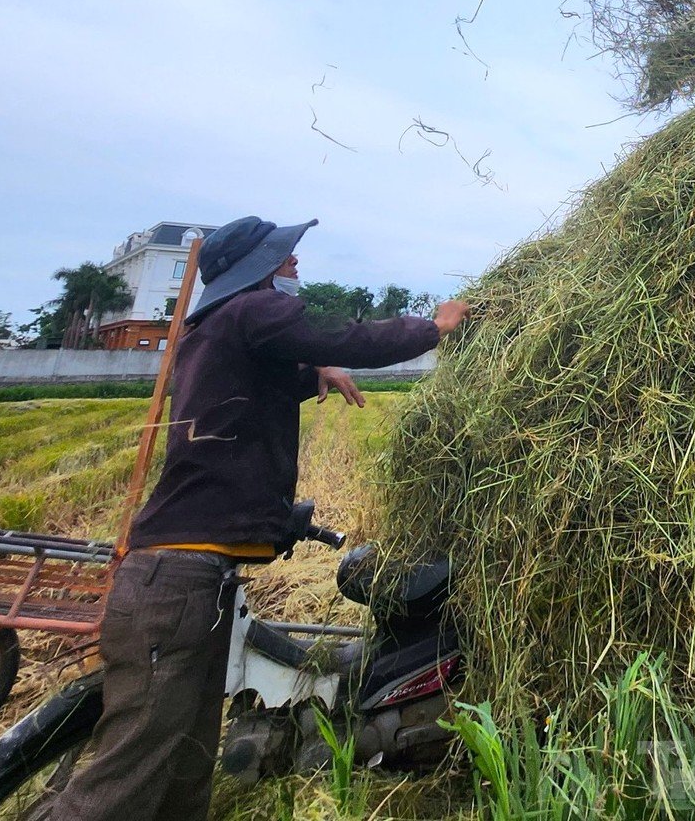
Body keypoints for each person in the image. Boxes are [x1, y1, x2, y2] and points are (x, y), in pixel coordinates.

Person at [52, 215, 467, 821]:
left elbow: (254, 385)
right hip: (176, 584)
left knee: (184, 767)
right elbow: (339, 336)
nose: (295, 265)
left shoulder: (210, 331)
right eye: (285, 257)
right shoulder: (253, 311)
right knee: (127, 778)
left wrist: (309, 373)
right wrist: (430, 328)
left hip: (192, 580)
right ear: (257, 268)